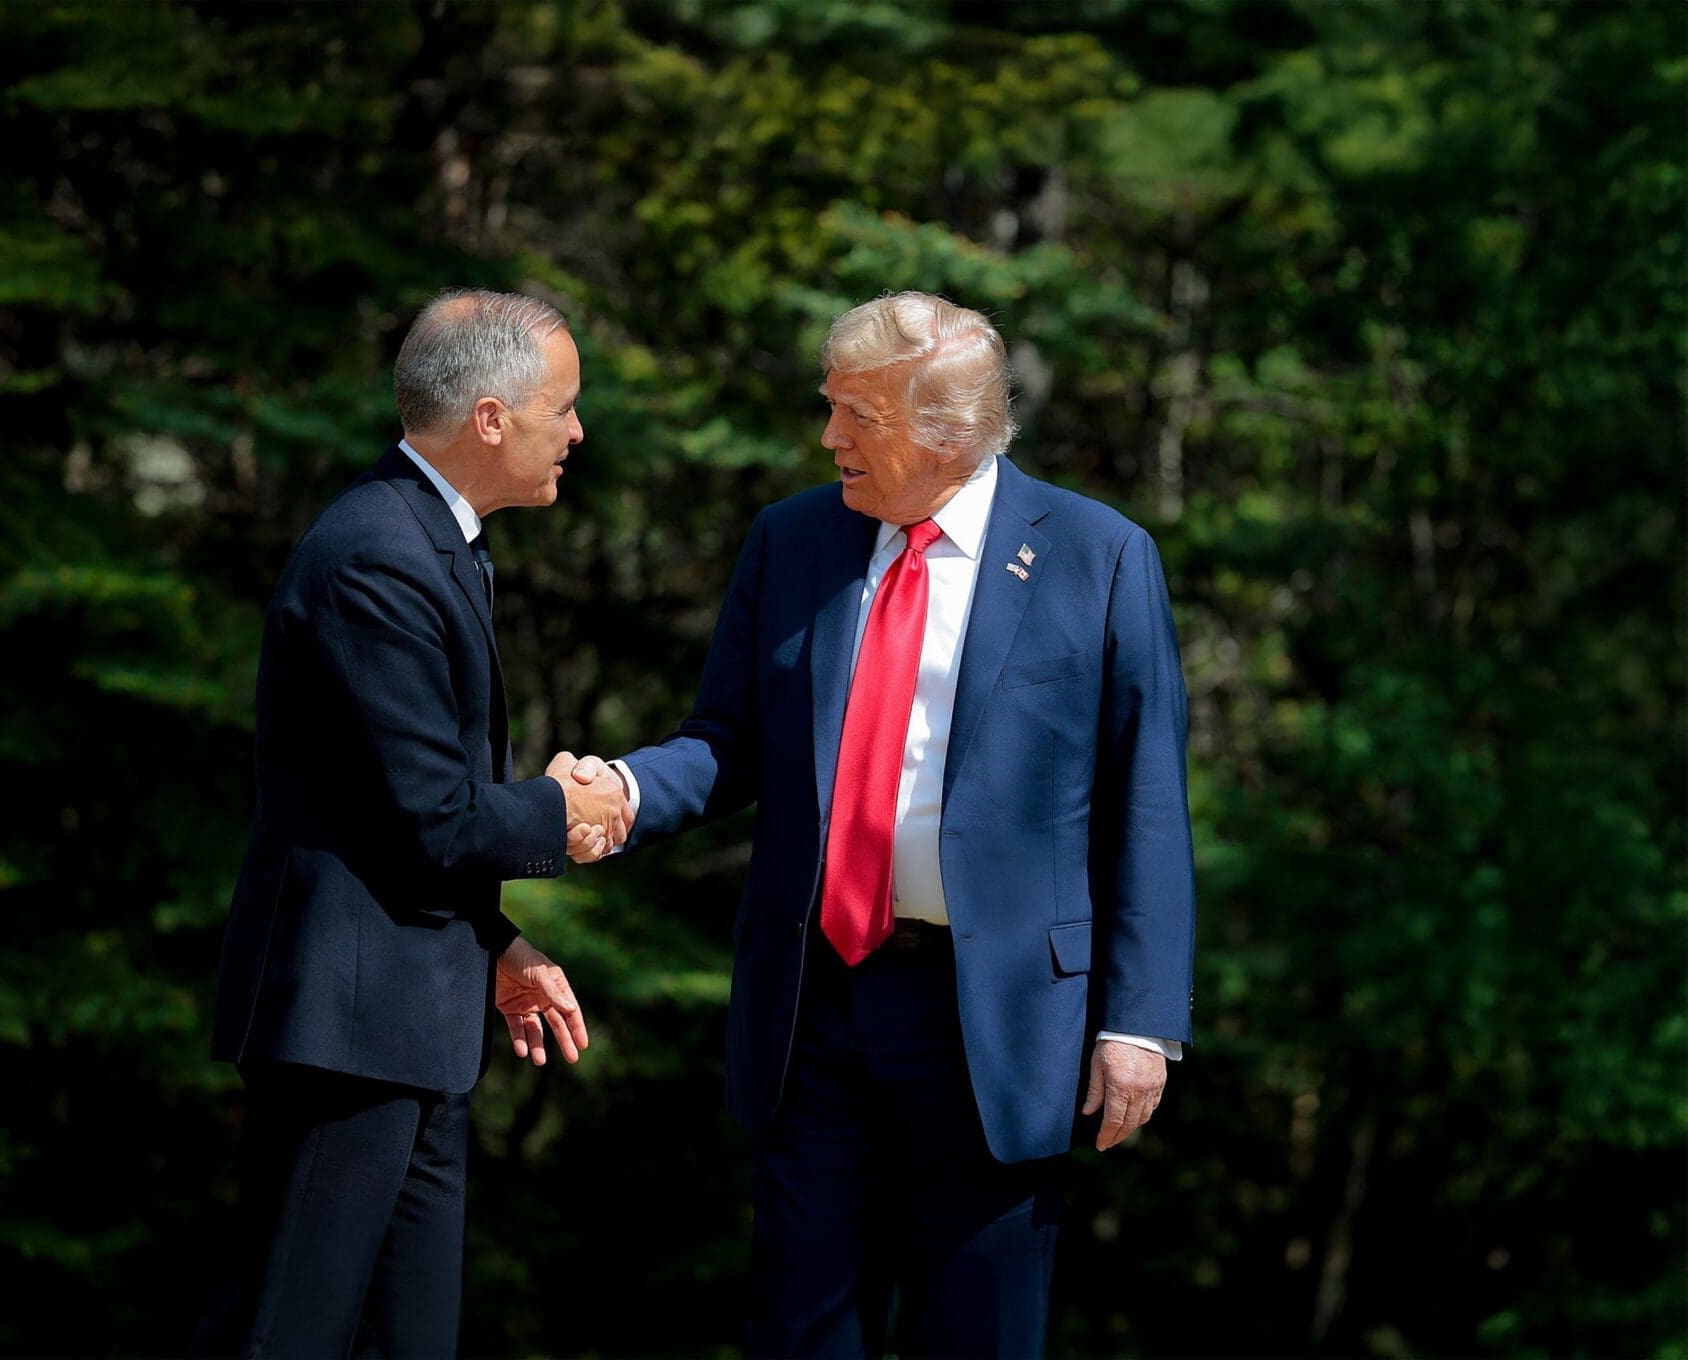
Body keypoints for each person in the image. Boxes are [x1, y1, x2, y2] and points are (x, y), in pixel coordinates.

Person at [563, 292, 1195, 1358]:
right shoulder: (794, 540)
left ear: (946, 430)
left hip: (997, 1022)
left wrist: (1141, 1022)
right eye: (830, 406)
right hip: (818, 1009)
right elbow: (727, 737)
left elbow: (1147, 801)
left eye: (856, 413)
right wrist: (624, 791)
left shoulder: (1101, 556)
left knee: (978, 1335)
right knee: (802, 1331)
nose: (829, 437)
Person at [200, 289, 633, 1358]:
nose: (577, 432)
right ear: (492, 417)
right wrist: (567, 811)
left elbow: (382, 814)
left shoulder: (439, 538)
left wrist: (495, 943)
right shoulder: (375, 554)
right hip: (347, 1037)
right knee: (287, 1333)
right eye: (564, 407)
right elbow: (432, 814)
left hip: (412, 1028)